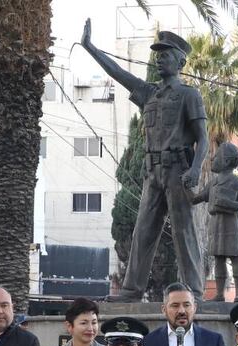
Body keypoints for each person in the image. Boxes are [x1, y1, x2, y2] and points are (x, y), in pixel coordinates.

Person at [81, 19, 208, 302]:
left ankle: (195, 291)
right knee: (143, 231)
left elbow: (203, 137)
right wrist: (91, 47)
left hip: (178, 170)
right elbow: (118, 72)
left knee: (183, 231)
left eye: (166, 56)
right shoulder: (149, 94)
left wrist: (196, 168)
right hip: (153, 172)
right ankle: (131, 289)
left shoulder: (189, 95)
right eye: (158, 56)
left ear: (180, 62)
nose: (160, 60)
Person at [191, 142, 238, 302]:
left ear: (225, 162)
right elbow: (196, 198)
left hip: (233, 226)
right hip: (216, 227)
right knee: (219, 258)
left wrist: (227, 203)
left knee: (236, 257)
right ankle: (219, 293)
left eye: (216, 157)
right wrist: (182, 187)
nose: (212, 158)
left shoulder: (237, 182)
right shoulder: (213, 183)